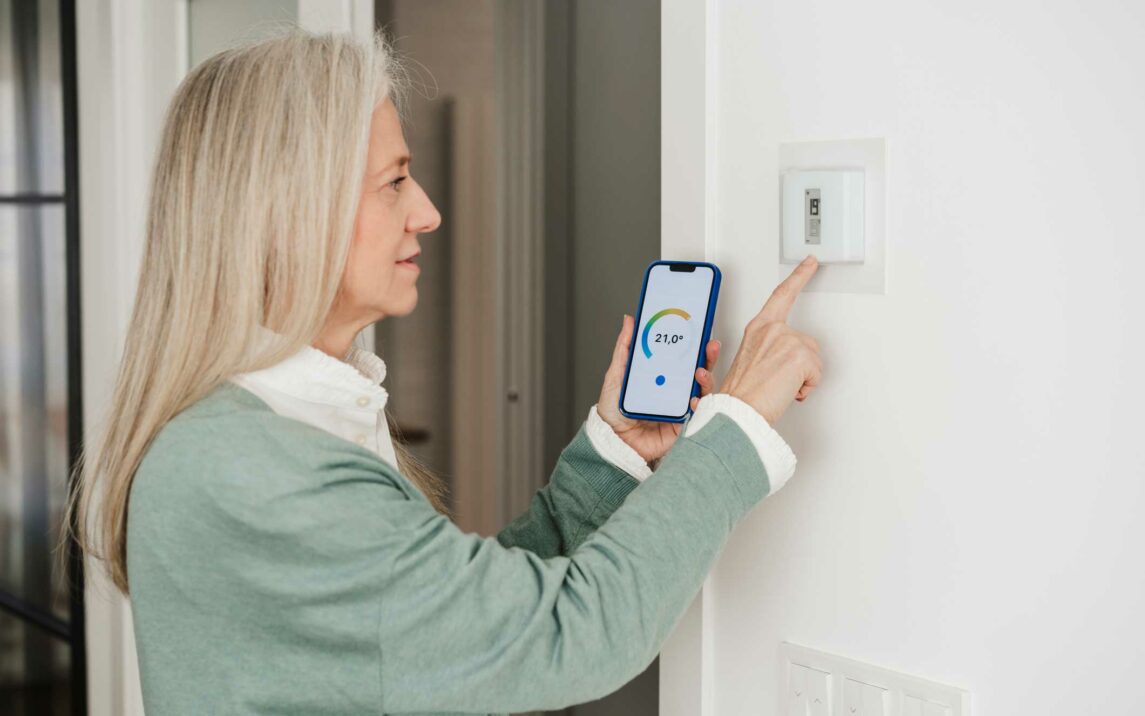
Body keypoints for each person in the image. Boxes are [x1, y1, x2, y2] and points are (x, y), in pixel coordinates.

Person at [69, 29, 822, 715]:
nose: (426, 212)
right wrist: (735, 430)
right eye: (394, 182)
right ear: (285, 210)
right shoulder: (244, 470)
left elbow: (458, 631)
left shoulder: (276, 430)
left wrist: (612, 456)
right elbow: (566, 635)